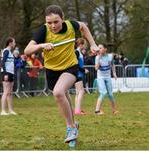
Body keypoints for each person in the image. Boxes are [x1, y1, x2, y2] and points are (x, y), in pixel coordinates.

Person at [24, 5, 99, 144]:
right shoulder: (43, 30)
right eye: (49, 22)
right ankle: (74, 125)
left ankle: (70, 128)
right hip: (52, 70)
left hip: (70, 67)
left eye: (56, 21)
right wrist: (41, 45)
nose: (53, 25)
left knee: (58, 92)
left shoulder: (71, 25)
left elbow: (83, 27)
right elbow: (27, 50)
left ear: (63, 19)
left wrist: (93, 44)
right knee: (63, 96)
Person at [94, 43, 119, 115]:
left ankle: (114, 110)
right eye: (98, 48)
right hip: (100, 77)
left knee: (110, 94)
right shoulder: (97, 57)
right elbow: (96, 68)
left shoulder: (110, 56)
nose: (99, 49)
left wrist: (114, 73)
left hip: (108, 77)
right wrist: (99, 57)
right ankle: (97, 111)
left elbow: (112, 65)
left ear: (105, 49)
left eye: (101, 48)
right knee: (103, 92)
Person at [1, 37, 17, 116]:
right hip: (6, 73)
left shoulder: (10, 52)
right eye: (14, 42)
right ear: (10, 43)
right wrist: (5, 74)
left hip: (11, 73)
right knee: (6, 92)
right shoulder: (6, 51)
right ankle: (3, 111)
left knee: (10, 93)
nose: (15, 44)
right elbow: (3, 62)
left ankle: (10, 110)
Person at [74, 38, 88, 115]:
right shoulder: (77, 52)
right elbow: (76, 64)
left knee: (77, 92)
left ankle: (77, 110)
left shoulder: (78, 52)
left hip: (78, 73)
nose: (84, 46)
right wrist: (83, 70)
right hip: (78, 74)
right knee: (81, 91)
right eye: (84, 44)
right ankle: (78, 110)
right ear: (81, 44)